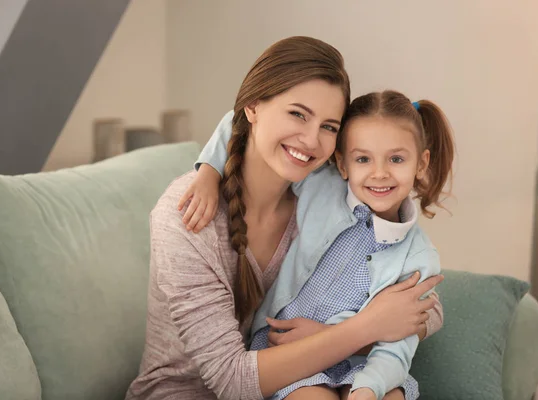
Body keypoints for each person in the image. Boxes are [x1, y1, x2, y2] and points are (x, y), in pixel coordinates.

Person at [126, 36, 443, 400]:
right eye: (297, 114)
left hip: (282, 384)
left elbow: (423, 306)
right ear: (253, 108)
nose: (310, 140)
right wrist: (364, 328)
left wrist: (371, 330)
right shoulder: (186, 216)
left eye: (329, 126)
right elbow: (232, 381)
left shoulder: (323, 193)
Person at [183, 90, 453, 400]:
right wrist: (208, 170)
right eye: (363, 158)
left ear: (421, 163)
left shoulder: (419, 257)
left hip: (362, 365)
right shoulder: (320, 187)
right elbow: (241, 123)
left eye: (396, 158)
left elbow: (397, 343)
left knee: (390, 396)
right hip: (289, 352)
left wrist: (367, 390)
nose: (380, 173)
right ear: (342, 163)